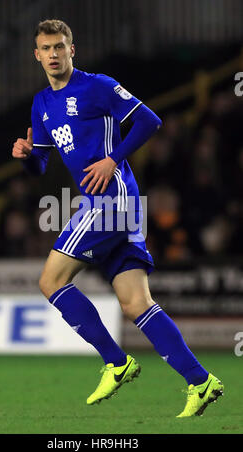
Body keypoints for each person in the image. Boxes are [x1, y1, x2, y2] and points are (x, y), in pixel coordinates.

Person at [12, 19, 224, 417]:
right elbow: (41, 165)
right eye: (46, 48)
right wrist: (27, 157)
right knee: (136, 303)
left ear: (72, 50)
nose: (54, 54)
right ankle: (201, 381)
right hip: (102, 202)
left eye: (60, 46)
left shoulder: (98, 86)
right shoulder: (41, 103)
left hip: (111, 200)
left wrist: (113, 159)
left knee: (50, 280)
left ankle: (116, 362)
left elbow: (150, 120)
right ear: (36, 55)